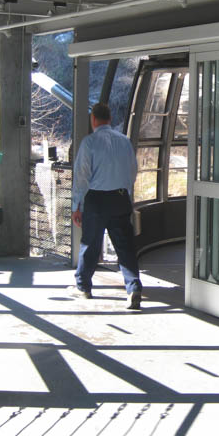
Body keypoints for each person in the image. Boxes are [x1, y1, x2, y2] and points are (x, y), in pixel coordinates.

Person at [70, 102, 142, 309]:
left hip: (96, 200)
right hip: (120, 199)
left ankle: (83, 286)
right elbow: (132, 172)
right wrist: (125, 194)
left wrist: (77, 206)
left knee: (90, 244)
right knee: (125, 246)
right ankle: (133, 288)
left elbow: (82, 178)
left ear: (93, 120)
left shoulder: (89, 143)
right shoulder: (125, 141)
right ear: (109, 119)